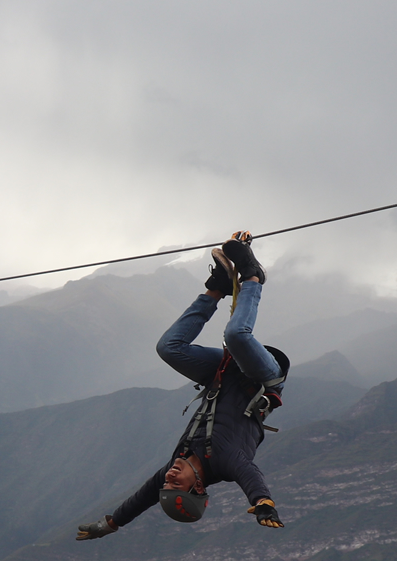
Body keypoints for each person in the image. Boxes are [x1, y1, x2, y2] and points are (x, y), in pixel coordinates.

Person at [77, 231, 288, 541]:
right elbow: (250, 476)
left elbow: (141, 498)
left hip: (223, 373)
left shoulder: (179, 462)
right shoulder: (226, 462)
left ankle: (217, 288)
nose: (170, 477)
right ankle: (253, 277)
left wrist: (110, 524)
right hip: (261, 378)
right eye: (176, 483)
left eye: (168, 482)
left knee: (169, 348)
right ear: (198, 487)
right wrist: (263, 503)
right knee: (236, 336)